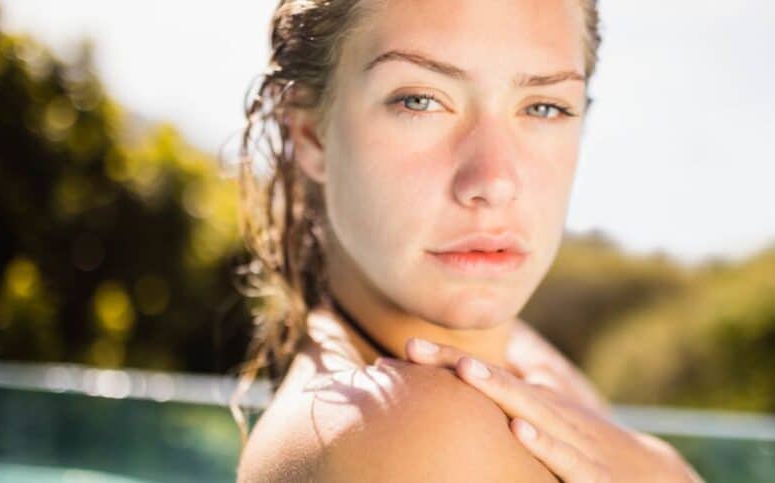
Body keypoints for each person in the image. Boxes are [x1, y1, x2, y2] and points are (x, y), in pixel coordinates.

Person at [232, 0, 703, 481]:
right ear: (311, 135)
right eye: (420, 100)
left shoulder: (531, 380)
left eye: (545, 106)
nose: (494, 180)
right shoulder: (416, 430)